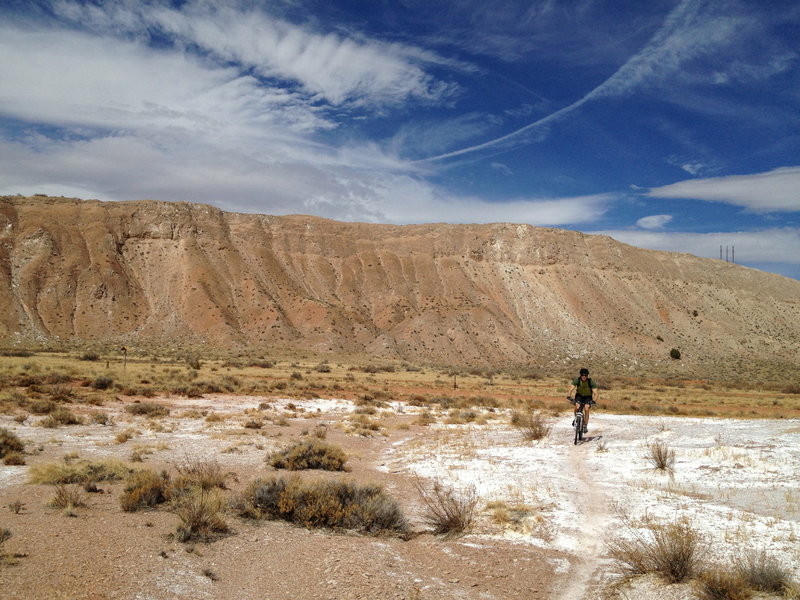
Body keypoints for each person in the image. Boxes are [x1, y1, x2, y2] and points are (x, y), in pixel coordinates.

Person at [567, 368, 598, 433]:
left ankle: (585, 426)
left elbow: (596, 393)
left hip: (588, 397)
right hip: (579, 396)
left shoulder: (590, 382)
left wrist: (594, 400)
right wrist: (569, 396)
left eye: (586, 375)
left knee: (586, 409)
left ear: (587, 376)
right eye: (582, 375)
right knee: (577, 407)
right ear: (580, 375)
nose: (584, 377)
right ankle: (576, 419)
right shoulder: (577, 380)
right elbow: (570, 389)